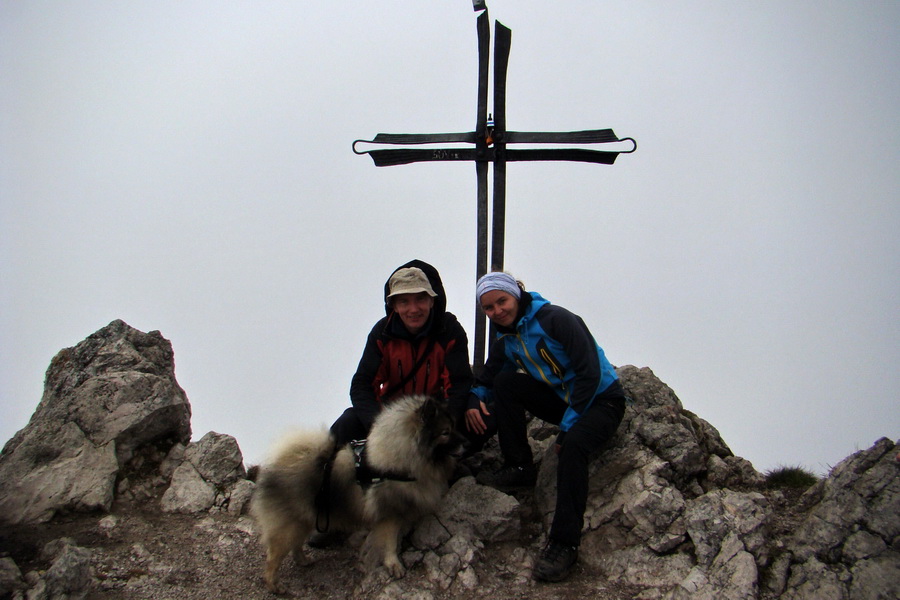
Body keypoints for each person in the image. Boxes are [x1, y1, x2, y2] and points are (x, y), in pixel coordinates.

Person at [468, 271, 626, 583]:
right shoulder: (505, 337)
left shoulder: (556, 319)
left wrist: (568, 427)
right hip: (566, 402)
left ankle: (564, 544)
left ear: (516, 294)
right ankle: (519, 467)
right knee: (506, 382)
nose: (497, 311)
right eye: (489, 308)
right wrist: (474, 400)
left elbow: (589, 372)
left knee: (573, 448)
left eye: (502, 301)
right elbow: (489, 376)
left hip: (602, 401)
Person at [331, 260, 489, 452]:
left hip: (435, 415)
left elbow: (458, 384)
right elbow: (362, 385)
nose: (413, 309)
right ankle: (326, 473)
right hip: (392, 418)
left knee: (484, 419)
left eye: (420, 299)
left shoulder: (449, 331)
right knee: (347, 422)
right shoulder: (382, 333)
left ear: (432, 300)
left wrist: (442, 426)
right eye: (404, 301)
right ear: (394, 306)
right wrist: (378, 427)